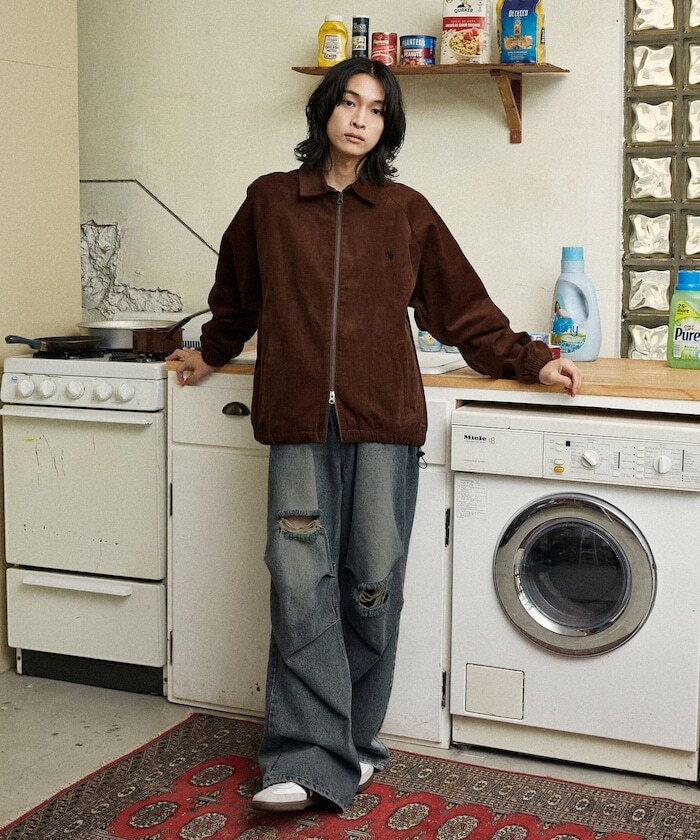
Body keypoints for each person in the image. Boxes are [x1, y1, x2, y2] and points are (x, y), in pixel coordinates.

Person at [168, 56, 583, 814]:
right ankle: (302, 756)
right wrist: (210, 353)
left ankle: (353, 745)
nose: (360, 118)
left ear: (387, 127)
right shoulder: (269, 201)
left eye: (376, 109)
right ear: (325, 110)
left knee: (371, 585)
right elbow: (237, 299)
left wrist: (533, 360)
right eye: (349, 102)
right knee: (300, 586)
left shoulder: (405, 211)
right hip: (298, 422)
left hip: (384, 422)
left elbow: (463, 310)